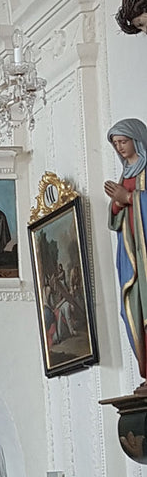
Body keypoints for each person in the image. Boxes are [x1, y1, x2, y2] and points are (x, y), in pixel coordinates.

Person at [105, 118, 147, 385]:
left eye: (123, 141)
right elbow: (114, 220)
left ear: (137, 140)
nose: (120, 147)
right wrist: (117, 205)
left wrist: (129, 198)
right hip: (129, 252)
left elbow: (133, 199)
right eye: (116, 144)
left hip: (145, 252)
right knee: (131, 307)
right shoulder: (125, 174)